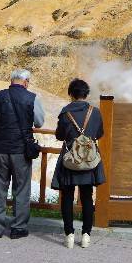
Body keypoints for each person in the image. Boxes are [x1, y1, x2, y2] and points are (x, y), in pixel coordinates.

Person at [0, 69, 45, 239]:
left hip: (0, 149)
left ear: (11, 81)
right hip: (21, 151)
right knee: (21, 189)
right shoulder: (32, 98)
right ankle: (18, 228)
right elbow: (39, 122)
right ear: (26, 82)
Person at [51, 78, 105, 249]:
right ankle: (86, 235)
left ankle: (69, 235)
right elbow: (100, 133)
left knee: (67, 197)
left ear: (71, 94)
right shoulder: (94, 112)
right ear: (86, 94)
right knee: (87, 197)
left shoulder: (65, 112)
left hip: (70, 159)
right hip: (88, 159)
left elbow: (59, 135)